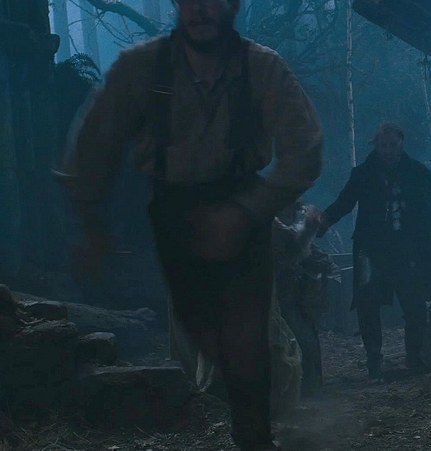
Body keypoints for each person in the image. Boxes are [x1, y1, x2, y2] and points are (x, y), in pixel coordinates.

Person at [56, 0, 323, 448]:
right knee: (200, 335)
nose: (199, 10)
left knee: (248, 339)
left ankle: (254, 435)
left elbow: (305, 148)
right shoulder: (142, 67)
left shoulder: (262, 68)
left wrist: (247, 211)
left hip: (243, 208)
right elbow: (91, 146)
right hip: (174, 212)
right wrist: (91, 225)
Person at [317, 122, 431, 379]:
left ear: (401, 144)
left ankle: (414, 359)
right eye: (384, 145)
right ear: (376, 145)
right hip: (372, 251)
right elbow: (344, 202)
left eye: (393, 145)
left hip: (408, 251)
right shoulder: (363, 174)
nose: (388, 151)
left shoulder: (417, 172)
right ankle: (374, 361)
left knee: (415, 305)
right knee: (367, 306)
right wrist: (323, 221)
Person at [273, 201, 335, 396]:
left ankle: (310, 385)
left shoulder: (285, 229)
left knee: (304, 338)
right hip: (275, 297)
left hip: (294, 297)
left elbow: (317, 257)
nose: (287, 218)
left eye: (289, 214)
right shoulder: (271, 227)